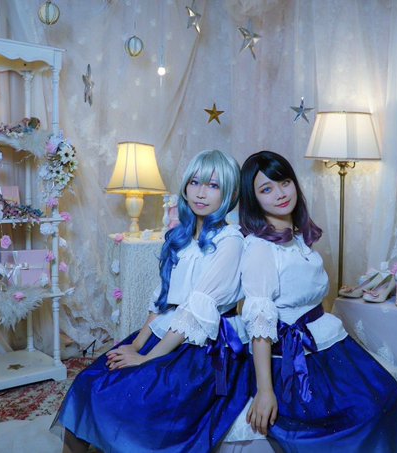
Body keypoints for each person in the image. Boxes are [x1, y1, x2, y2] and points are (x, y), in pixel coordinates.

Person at [52, 149, 253, 452]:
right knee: (88, 382)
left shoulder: (230, 241)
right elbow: (163, 299)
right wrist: (136, 344)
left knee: (129, 393)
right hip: (168, 331)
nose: (201, 193)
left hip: (204, 347)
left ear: (230, 194)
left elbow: (196, 313)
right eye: (195, 182)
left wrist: (147, 359)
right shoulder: (181, 237)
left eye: (213, 186)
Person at [238, 150, 397, 452]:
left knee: (385, 394)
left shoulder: (296, 237)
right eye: (267, 189)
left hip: (325, 340)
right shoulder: (260, 248)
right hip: (292, 357)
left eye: (284, 182)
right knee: (353, 418)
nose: (280, 193)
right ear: (253, 199)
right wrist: (265, 390)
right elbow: (259, 322)